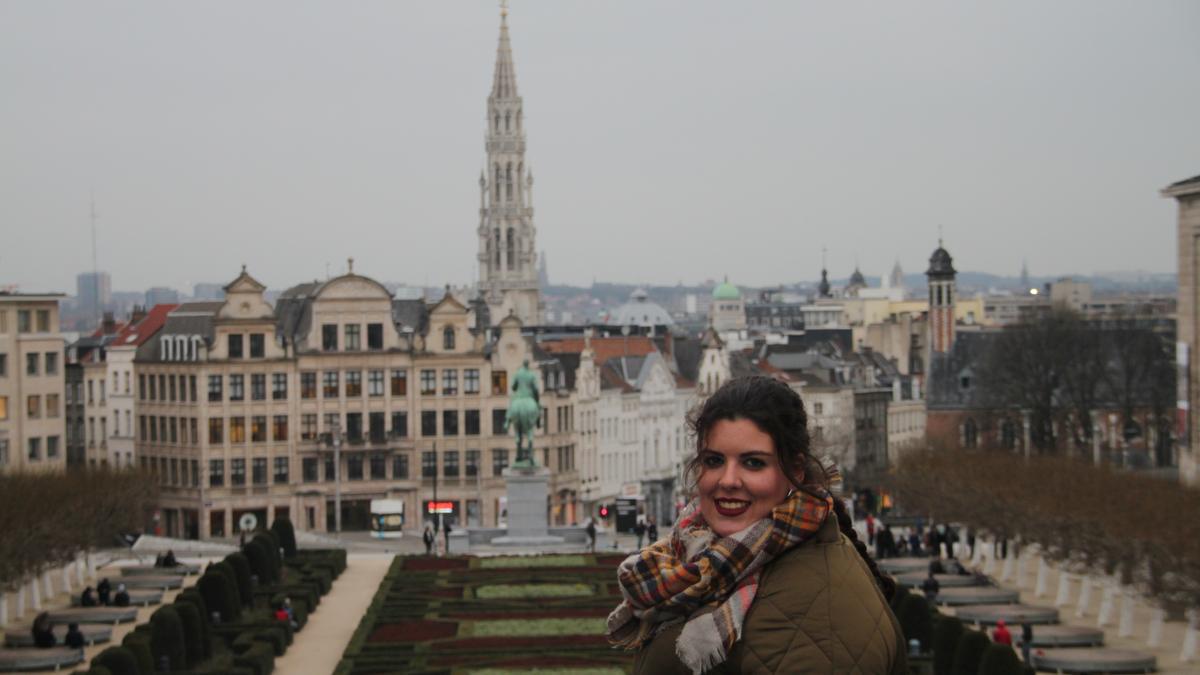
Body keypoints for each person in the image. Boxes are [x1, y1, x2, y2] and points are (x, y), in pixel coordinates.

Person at [607, 376, 905, 674]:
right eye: (714, 461)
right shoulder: (713, 559)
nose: (728, 480)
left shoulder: (817, 609)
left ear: (795, 470)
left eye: (753, 463)